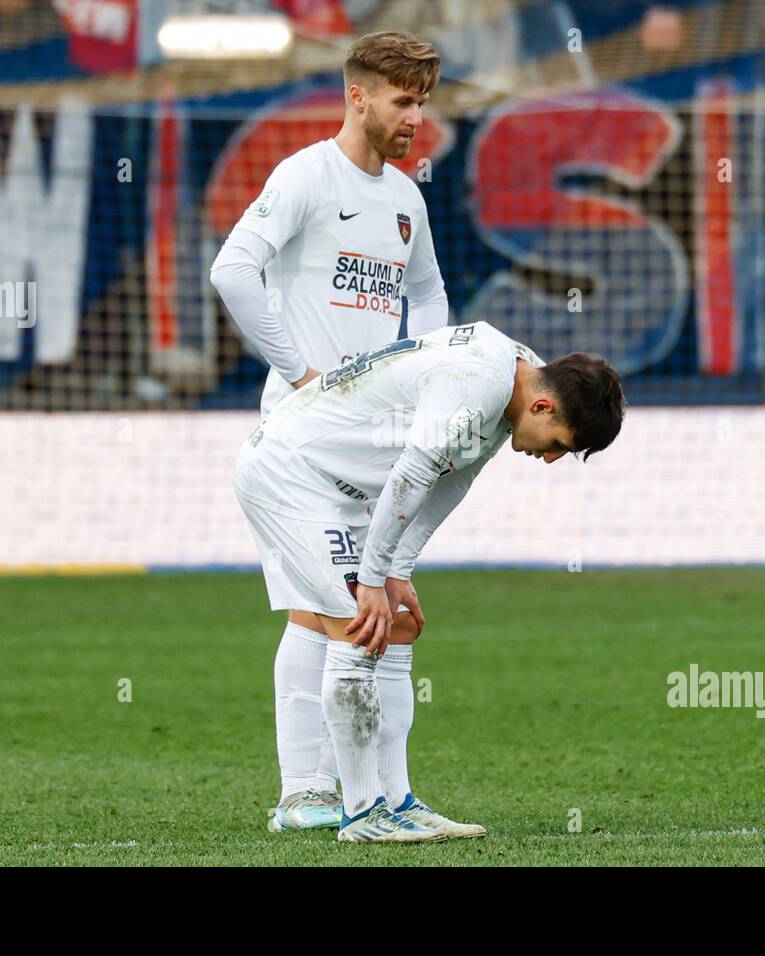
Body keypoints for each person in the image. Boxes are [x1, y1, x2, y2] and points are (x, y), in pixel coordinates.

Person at [233, 320, 625, 841]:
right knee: (359, 626)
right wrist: (373, 578)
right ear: (543, 408)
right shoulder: (478, 382)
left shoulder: (518, 373)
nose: (550, 458)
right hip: (291, 474)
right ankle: (362, 813)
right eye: (558, 444)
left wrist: (397, 570)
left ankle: (397, 801)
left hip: (339, 487)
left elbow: (454, 479)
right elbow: (413, 474)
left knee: (394, 627)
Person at [209, 31, 450, 832]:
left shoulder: (407, 200)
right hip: (302, 438)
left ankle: (364, 794)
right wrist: (301, 371)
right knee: (328, 608)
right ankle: (306, 792)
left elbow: (432, 302)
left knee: (364, 612)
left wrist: (423, 382)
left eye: (423, 100)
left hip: (371, 440)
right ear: (357, 95)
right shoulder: (307, 175)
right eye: (402, 99)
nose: (416, 116)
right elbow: (233, 270)